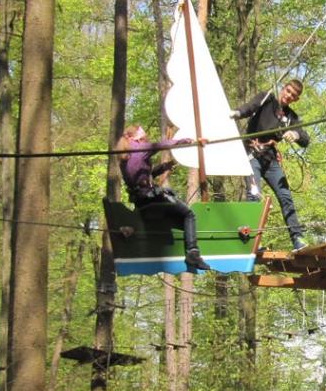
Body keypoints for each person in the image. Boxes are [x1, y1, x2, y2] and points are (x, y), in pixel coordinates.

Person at [230, 78, 311, 250]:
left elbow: (305, 138)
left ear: (296, 99)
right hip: (252, 155)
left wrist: (295, 135)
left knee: (285, 196)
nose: (289, 96)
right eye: (288, 91)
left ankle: (297, 239)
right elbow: (250, 107)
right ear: (283, 89)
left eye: (293, 95)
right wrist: (237, 113)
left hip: (270, 161)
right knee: (254, 195)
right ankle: (251, 241)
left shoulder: (291, 118)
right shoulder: (267, 99)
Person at [117, 124, 210, 272]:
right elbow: (160, 145)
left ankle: (182, 246)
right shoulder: (139, 148)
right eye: (144, 138)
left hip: (141, 204)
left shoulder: (124, 157)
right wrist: (186, 141)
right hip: (153, 201)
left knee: (180, 221)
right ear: (137, 138)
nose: (145, 140)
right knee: (189, 214)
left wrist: (165, 166)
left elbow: (143, 177)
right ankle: (193, 252)